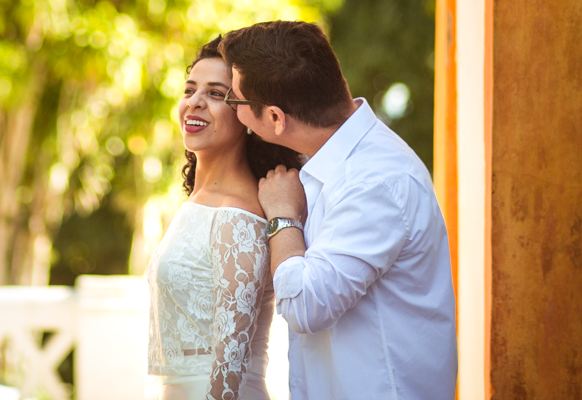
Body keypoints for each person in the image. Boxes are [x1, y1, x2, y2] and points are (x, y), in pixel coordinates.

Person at [219, 20, 457, 400]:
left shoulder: (377, 181)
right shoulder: (326, 160)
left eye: (235, 101)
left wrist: (283, 218)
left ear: (276, 118)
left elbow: (306, 306)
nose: (233, 112)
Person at [146, 36, 304, 400]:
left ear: (247, 115)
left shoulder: (238, 217)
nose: (195, 102)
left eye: (217, 94)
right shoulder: (200, 202)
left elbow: (229, 366)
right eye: (190, 89)